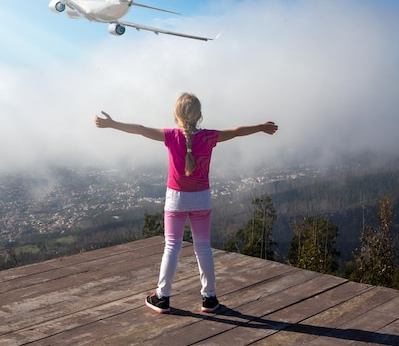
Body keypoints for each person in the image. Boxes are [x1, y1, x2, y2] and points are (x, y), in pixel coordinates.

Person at [94, 92, 278, 314]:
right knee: (203, 247)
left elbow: (141, 129)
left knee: (172, 246)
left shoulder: (171, 136)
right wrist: (260, 127)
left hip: (176, 198)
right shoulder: (209, 137)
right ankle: (209, 298)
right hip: (201, 197)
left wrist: (112, 124)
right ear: (200, 115)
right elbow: (237, 132)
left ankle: (162, 297)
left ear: (176, 115)